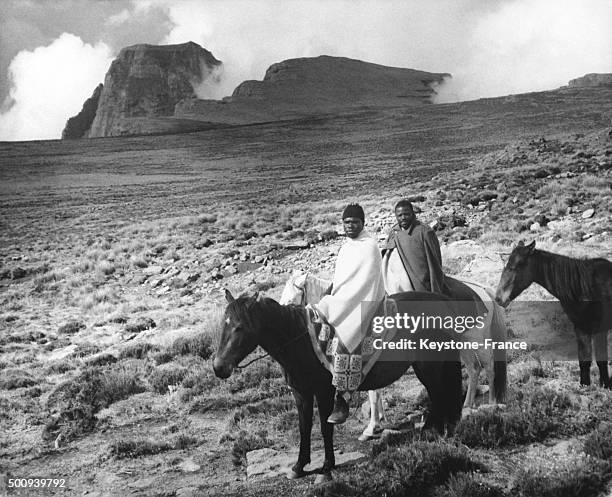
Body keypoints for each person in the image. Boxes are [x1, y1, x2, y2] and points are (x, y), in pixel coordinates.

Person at [316, 203, 386, 424]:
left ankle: (343, 399)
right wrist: (332, 297)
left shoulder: (369, 246)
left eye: (354, 222)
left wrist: (347, 300)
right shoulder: (345, 247)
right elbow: (342, 281)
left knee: (348, 334)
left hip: (366, 300)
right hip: (345, 299)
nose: (350, 226)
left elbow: (367, 282)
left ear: (363, 223)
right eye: (346, 222)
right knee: (318, 317)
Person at [382, 199, 450, 295]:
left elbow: (435, 261)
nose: (403, 218)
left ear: (413, 214)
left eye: (406, 214)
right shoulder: (394, 232)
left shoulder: (424, 232)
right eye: (399, 215)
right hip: (403, 283)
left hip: (422, 281)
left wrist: (436, 285)